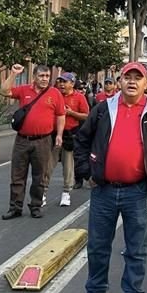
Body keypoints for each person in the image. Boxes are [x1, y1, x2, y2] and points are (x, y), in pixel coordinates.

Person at [74, 62, 147, 293]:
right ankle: (96, 292)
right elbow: (81, 140)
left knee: (136, 249)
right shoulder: (102, 110)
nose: (132, 82)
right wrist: (88, 172)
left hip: (137, 192)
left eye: (138, 78)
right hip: (104, 191)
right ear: (119, 81)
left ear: (146, 84)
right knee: (98, 246)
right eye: (127, 77)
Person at [1, 64, 65, 219]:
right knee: (17, 175)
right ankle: (15, 207)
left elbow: (60, 115)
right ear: (34, 77)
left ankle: (36, 206)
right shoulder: (24, 90)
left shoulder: (55, 93)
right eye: (41, 76)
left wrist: (59, 135)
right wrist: (13, 74)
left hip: (43, 141)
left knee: (40, 176)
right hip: (22, 140)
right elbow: (4, 91)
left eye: (47, 76)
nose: (44, 79)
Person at [53, 72, 90, 206]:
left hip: (70, 134)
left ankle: (66, 192)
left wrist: (71, 113)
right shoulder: (54, 95)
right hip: (53, 134)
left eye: (65, 81)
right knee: (46, 165)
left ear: (72, 84)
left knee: (68, 165)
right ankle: (42, 193)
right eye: (60, 81)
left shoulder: (79, 97)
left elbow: (87, 116)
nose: (62, 84)